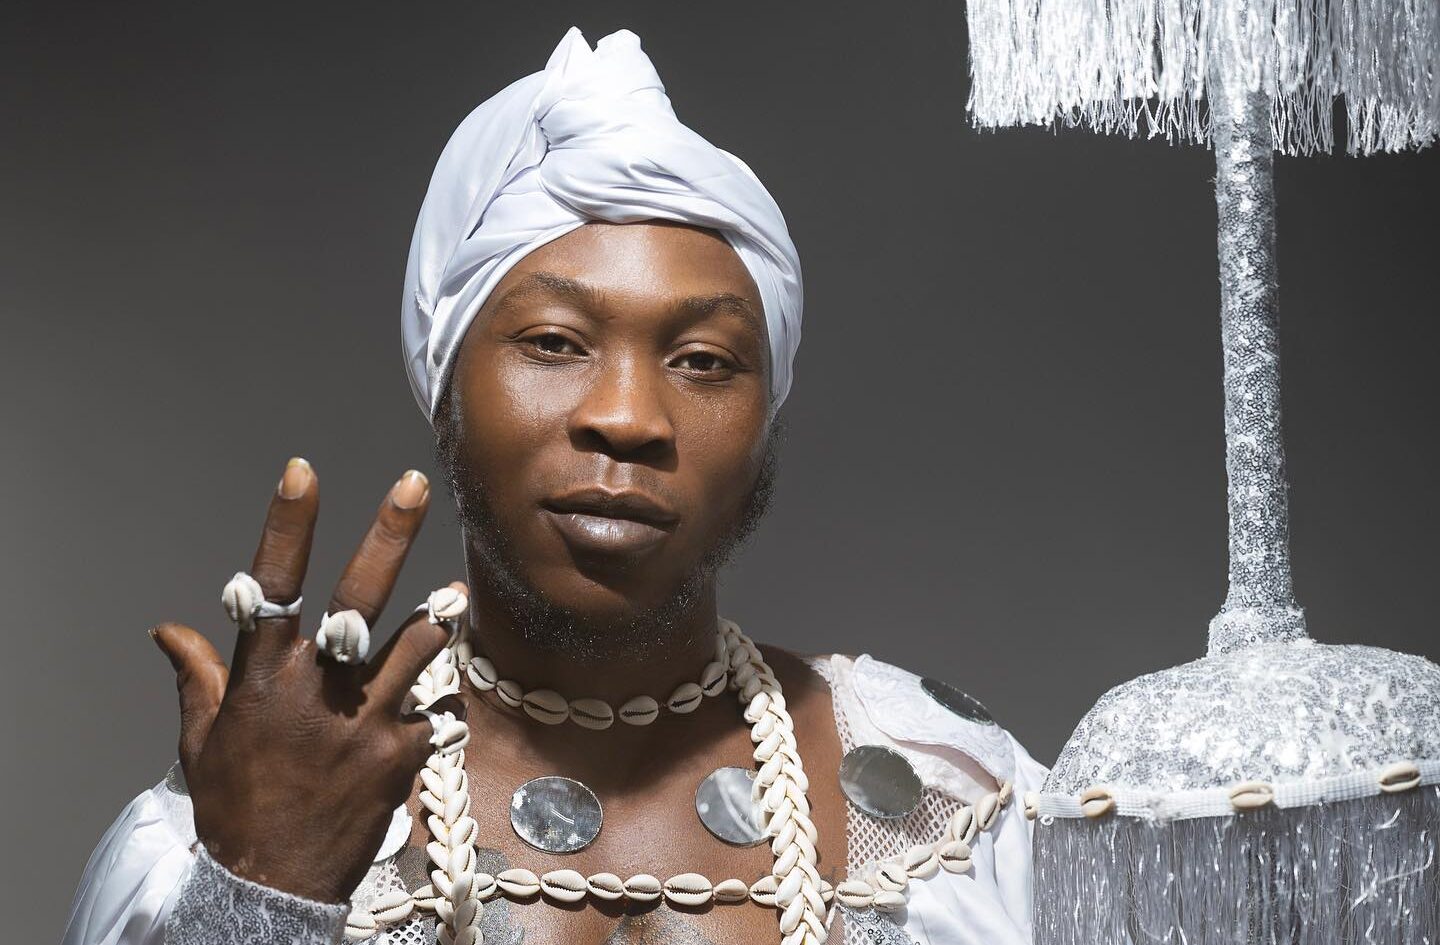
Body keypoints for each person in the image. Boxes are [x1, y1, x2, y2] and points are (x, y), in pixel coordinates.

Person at [62, 27, 1046, 945]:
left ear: (766, 419)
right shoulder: (241, 818)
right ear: (447, 390)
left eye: (704, 360)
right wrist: (261, 894)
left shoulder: (953, 796)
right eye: (554, 343)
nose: (628, 415)